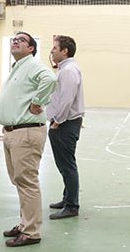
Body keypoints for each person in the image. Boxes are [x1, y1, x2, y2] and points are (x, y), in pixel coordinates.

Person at [0, 32, 57, 247]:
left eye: (22, 40)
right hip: (14, 132)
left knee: (27, 182)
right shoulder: (19, 66)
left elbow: (50, 78)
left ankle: (31, 232)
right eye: (14, 38)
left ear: (31, 48)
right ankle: (25, 223)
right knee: (20, 181)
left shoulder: (33, 65)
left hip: (26, 132)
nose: (15, 41)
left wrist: (38, 101)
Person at [46, 35, 86, 220]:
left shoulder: (68, 71)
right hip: (64, 123)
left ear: (65, 51)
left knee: (67, 165)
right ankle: (67, 198)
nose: (52, 51)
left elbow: (66, 100)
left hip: (65, 124)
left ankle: (71, 205)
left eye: (55, 48)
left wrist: (57, 121)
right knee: (64, 165)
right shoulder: (65, 69)